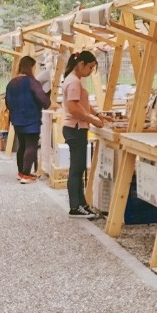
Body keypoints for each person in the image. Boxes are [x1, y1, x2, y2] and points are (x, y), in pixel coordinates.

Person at [61, 50, 105, 218]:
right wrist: (92, 120)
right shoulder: (73, 82)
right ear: (81, 64)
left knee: (79, 168)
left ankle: (82, 203)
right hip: (75, 128)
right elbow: (74, 108)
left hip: (76, 127)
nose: (91, 72)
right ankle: (75, 205)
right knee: (77, 169)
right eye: (90, 67)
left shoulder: (74, 80)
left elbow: (82, 104)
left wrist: (98, 115)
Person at [4, 55, 50, 183]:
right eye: (34, 67)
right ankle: (26, 174)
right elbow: (42, 98)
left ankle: (20, 172)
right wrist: (48, 102)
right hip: (31, 119)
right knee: (31, 145)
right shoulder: (32, 82)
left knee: (22, 145)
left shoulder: (11, 83)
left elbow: (7, 103)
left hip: (17, 119)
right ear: (30, 67)